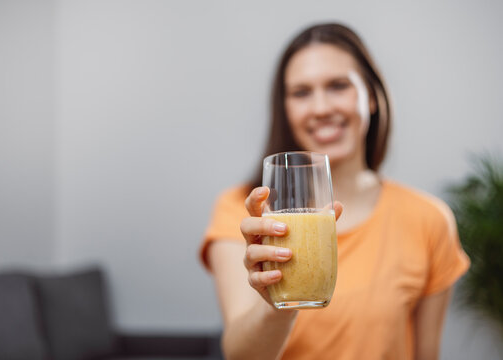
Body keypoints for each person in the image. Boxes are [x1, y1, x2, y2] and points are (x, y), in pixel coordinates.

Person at [200, 23, 470, 360]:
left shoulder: (429, 219)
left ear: (372, 97)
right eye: (301, 92)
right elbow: (240, 354)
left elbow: (426, 355)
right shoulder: (244, 213)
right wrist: (279, 304)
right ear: (285, 108)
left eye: (338, 86)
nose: (321, 108)